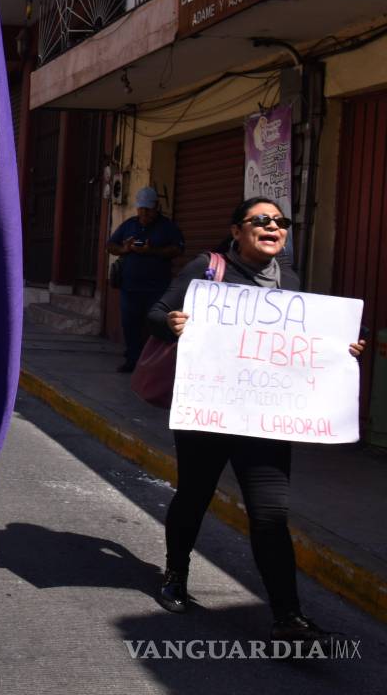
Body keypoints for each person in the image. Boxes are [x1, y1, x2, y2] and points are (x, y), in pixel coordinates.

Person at [147, 197, 366, 640]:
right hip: (208, 413)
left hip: (264, 420)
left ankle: (288, 616)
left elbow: (304, 345)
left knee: (270, 515)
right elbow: (153, 315)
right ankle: (175, 574)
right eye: (260, 220)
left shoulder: (291, 282)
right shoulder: (206, 270)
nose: (273, 226)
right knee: (194, 496)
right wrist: (172, 323)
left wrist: (341, 351)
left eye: (280, 221)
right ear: (237, 231)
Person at [106, 186, 184, 372]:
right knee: (130, 325)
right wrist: (124, 249)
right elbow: (110, 245)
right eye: (141, 209)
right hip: (130, 288)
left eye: (148, 209)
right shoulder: (130, 224)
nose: (144, 213)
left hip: (157, 289)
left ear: (156, 207)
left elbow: (178, 249)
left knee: (155, 326)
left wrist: (152, 251)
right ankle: (132, 360)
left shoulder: (167, 226)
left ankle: (154, 363)